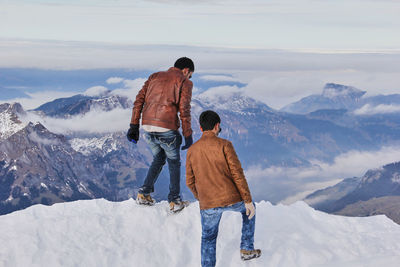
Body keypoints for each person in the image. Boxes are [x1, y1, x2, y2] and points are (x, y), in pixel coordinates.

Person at [186, 110, 261, 267]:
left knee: (208, 238)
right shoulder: (225, 145)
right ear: (217, 126)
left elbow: (190, 181)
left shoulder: (192, 150)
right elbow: (237, 175)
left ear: (201, 128)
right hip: (230, 199)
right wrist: (247, 200)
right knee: (250, 210)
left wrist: (202, 197)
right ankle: (247, 249)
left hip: (208, 204)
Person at [127, 57, 194, 212]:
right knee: (174, 162)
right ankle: (175, 200)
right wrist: (188, 135)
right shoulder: (185, 82)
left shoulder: (154, 76)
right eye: (190, 74)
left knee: (158, 158)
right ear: (186, 70)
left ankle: (144, 193)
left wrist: (134, 126)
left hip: (148, 127)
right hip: (166, 128)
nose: (190, 77)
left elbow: (139, 101)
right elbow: (184, 110)